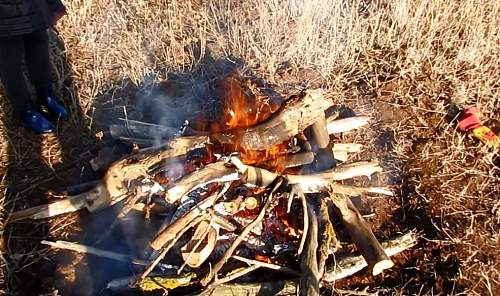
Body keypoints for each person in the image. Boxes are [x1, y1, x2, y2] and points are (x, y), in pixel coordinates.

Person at [0, 0, 69, 133]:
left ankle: (45, 94)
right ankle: (25, 108)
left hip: (32, 6)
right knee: (9, 62)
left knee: (39, 47)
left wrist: (54, 4)